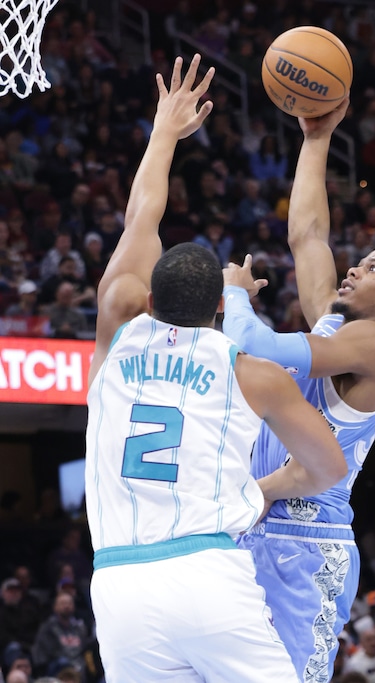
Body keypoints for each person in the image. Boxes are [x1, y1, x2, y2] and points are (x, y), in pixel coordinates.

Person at [84, 54, 347, 683]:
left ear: (148, 301)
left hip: (118, 583)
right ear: (220, 313)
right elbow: (329, 469)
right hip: (206, 572)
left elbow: (141, 214)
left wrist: (164, 131)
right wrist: (266, 490)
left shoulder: (116, 332)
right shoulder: (251, 373)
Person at [222, 98, 375, 682]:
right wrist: (315, 138)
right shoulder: (336, 320)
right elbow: (307, 235)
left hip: (305, 543)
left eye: (374, 268)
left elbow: (264, 348)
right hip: (249, 521)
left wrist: (231, 295)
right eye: (361, 261)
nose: (355, 268)